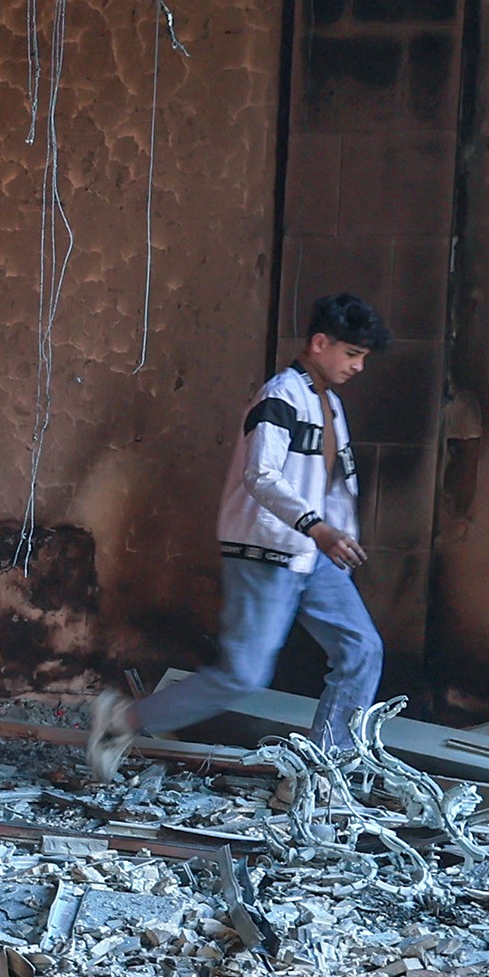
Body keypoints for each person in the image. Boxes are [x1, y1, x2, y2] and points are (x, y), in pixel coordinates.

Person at [89, 294, 391, 777]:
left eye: (363, 358)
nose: (358, 367)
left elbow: (337, 481)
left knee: (362, 650)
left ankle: (324, 771)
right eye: (352, 354)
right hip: (265, 553)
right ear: (319, 343)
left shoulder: (330, 405)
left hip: (313, 556)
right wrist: (320, 529)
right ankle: (123, 719)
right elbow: (261, 475)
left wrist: (340, 537)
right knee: (242, 676)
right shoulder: (280, 397)